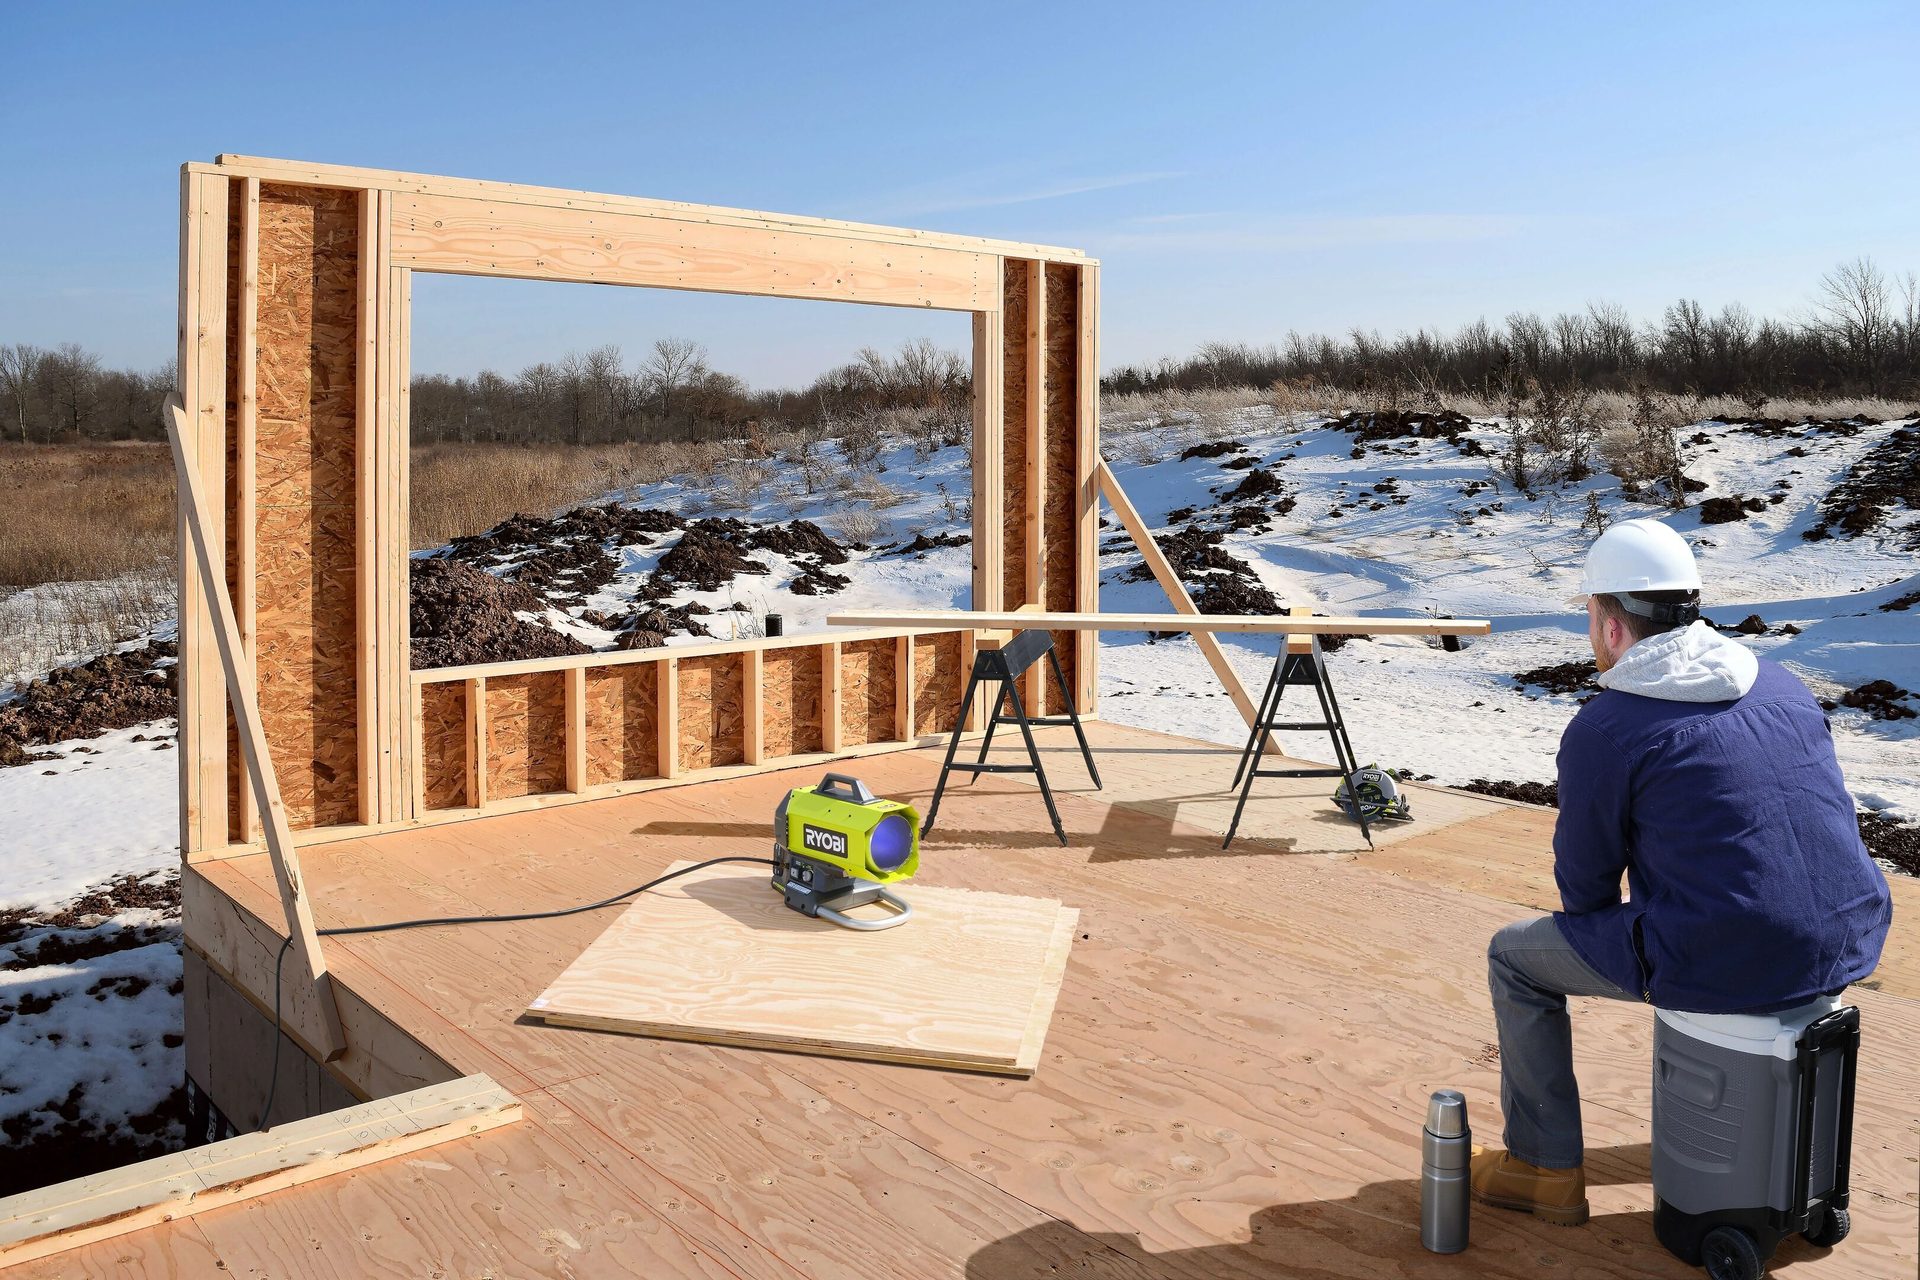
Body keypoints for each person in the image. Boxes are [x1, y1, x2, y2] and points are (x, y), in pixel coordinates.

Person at [1470, 517, 1892, 1226]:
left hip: (1731, 949)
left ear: (1610, 627)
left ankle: (1543, 1168)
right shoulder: (1782, 684)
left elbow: (1586, 890)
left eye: (1589, 616)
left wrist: (1645, 929)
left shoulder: (1609, 728)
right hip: (1846, 933)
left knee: (1515, 958)